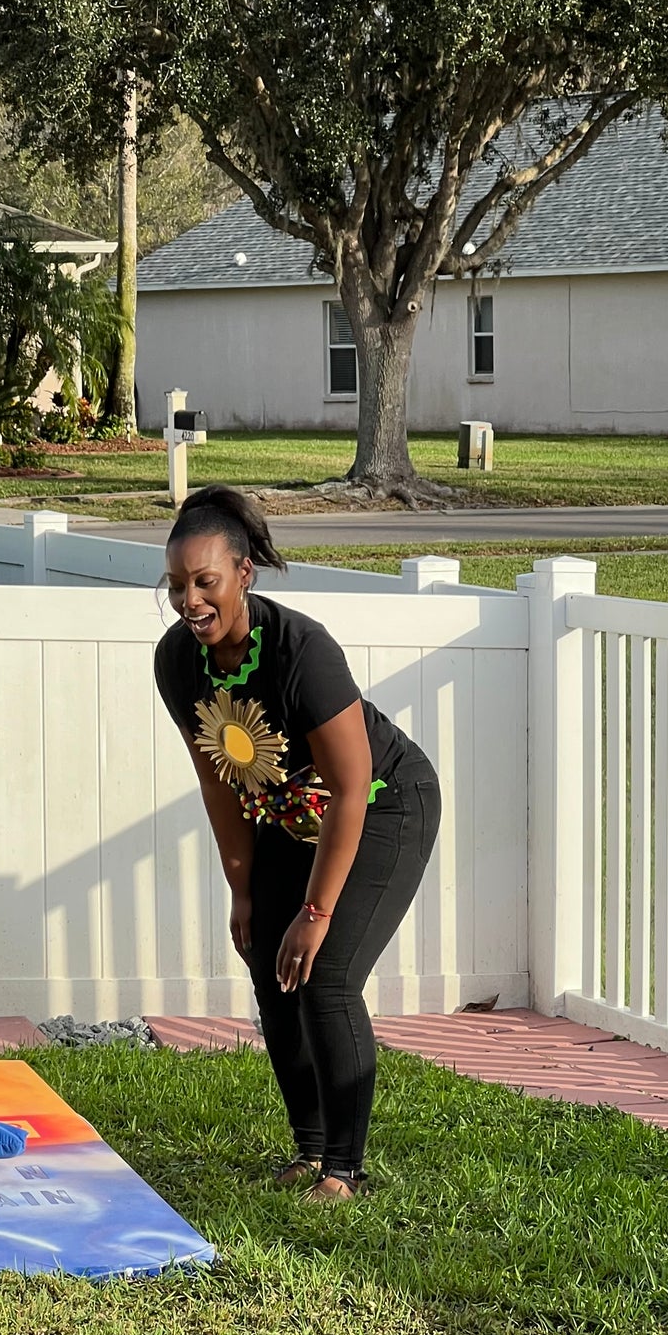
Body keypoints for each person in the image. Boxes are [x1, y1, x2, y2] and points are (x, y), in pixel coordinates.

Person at [154, 484, 441, 1204]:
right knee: (270, 972)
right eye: (176, 585)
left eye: (204, 581)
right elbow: (218, 782)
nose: (189, 600)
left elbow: (351, 786)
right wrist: (244, 889)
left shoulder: (300, 651)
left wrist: (314, 912)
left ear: (243, 574)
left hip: (381, 803)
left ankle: (343, 1169)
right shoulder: (178, 663)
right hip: (288, 812)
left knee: (326, 974)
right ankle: (307, 1147)